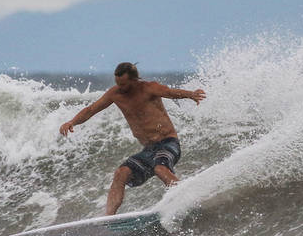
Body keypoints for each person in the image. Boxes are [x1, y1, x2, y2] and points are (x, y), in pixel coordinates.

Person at [59, 62, 206, 215]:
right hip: (148, 150)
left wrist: (191, 94)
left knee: (160, 168)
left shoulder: (149, 88)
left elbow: (170, 92)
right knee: (121, 173)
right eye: (117, 83)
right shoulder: (115, 94)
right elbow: (91, 110)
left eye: (123, 84)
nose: (120, 87)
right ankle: (108, 219)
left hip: (168, 143)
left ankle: (186, 202)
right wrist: (72, 122)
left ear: (134, 79)